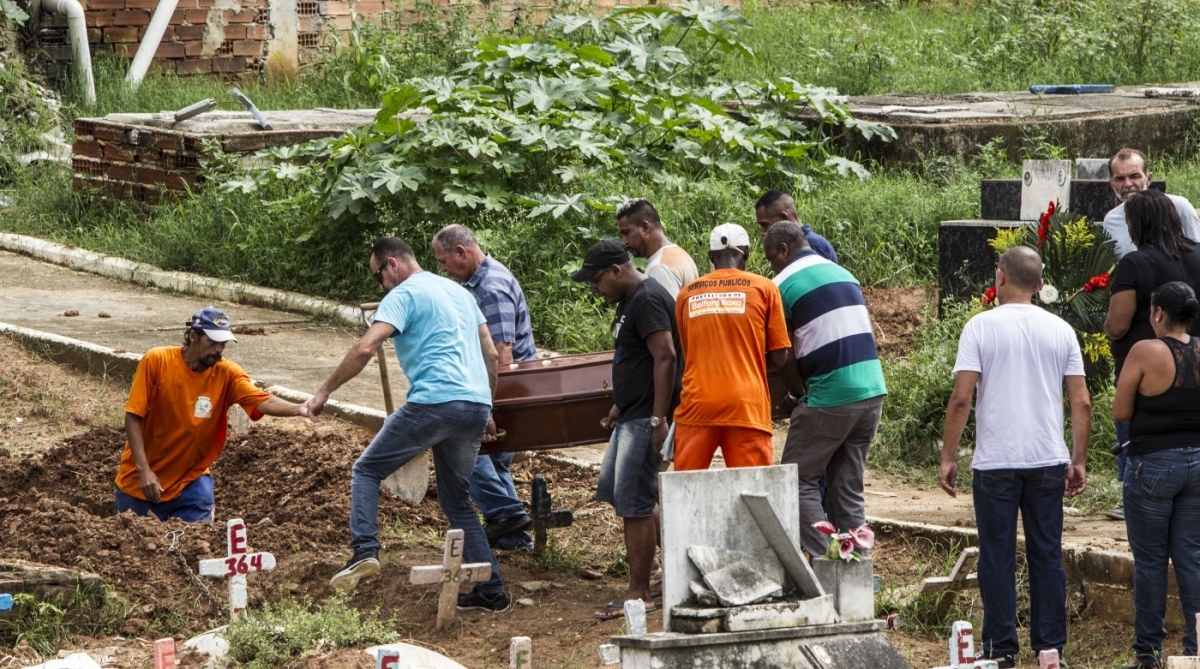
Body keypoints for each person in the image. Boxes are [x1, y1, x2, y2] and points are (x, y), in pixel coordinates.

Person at [303, 237, 510, 613]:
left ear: (393, 264)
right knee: (455, 499)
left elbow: (365, 347)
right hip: (476, 407)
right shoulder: (460, 293)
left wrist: (323, 392)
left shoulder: (402, 295)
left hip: (435, 403)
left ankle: (364, 549)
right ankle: (491, 590)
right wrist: (488, 409)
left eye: (378, 276)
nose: (380, 284)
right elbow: (491, 355)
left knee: (366, 470)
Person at [939, 246, 1091, 669]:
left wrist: (948, 456)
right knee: (1047, 553)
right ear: (1040, 285)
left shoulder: (980, 327)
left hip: (995, 461)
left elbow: (961, 399)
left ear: (1000, 277)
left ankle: (1001, 648)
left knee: (997, 554)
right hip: (1047, 458)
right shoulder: (1061, 330)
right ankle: (1049, 648)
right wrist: (1078, 459)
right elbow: (1081, 401)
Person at [114, 307, 308, 522]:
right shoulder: (157, 361)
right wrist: (144, 471)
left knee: (199, 538)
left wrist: (299, 409)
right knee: (135, 538)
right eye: (213, 342)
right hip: (141, 483)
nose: (219, 349)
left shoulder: (227, 374)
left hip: (190, 479)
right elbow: (133, 415)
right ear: (193, 336)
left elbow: (262, 400)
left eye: (223, 343)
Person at [570, 240, 679, 620]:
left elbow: (666, 357)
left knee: (635, 502)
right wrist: (621, 402)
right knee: (628, 494)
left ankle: (640, 592)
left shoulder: (648, 299)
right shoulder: (630, 299)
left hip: (647, 417)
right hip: (633, 411)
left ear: (617, 270)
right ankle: (676, 572)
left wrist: (658, 419)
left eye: (596, 280)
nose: (594, 289)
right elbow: (635, 358)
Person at [763, 222, 887, 559]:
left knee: (795, 481)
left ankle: (827, 563)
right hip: (871, 390)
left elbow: (782, 353)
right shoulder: (843, 273)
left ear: (784, 250)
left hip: (831, 395)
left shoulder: (781, 285)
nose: (771, 267)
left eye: (771, 258)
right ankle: (857, 569)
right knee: (846, 488)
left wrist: (797, 394)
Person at [1113, 281, 1200, 668]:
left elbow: (1121, 411)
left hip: (1153, 464)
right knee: (1191, 557)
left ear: (1159, 313)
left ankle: (1148, 652)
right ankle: (1196, 648)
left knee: (1150, 561)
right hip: (1197, 464)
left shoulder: (1145, 351)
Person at [433, 224, 535, 551]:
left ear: (461, 252)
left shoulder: (490, 288)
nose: (443, 269)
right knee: (494, 460)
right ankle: (515, 538)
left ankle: (507, 514)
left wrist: (491, 409)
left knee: (460, 445)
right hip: (502, 387)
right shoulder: (480, 283)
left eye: (444, 261)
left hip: (506, 388)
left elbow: (501, 355)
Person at [1104, 188, 1200, 521]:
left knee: (1136, 430)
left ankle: (1135, 491)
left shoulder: (1135, 262)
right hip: (1195, 361)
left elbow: (1118, 324)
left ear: (1137, 224)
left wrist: (1106, 325)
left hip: (1147, 365)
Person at [672, 223, 790, 470]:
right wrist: (749, 361)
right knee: (752, 489)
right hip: (747, 407)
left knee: (687, 489)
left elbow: (689, 352)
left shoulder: (686, 295)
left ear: (710, 256)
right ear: (746, 253)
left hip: (697, 406)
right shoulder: (765, 288)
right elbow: (780, 357)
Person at [1103, 148, 1200, 259]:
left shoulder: (1179, 207)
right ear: (1111, 184)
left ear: (1149, 178)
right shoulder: (1111, 221)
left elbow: (1197, 255)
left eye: (1134, 176)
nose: (1127, 184)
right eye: (1120, 179)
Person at [615, 198, 699, 299]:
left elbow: (666, 309)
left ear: (645, 228)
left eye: (626, 233)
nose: (624, 242)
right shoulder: (679, 254)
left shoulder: (659, 268)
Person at [754, 188, 838, 263]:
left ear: (784, 218)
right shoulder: (791, 246)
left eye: (764, 224)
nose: (761, 232)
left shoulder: (812, 245)